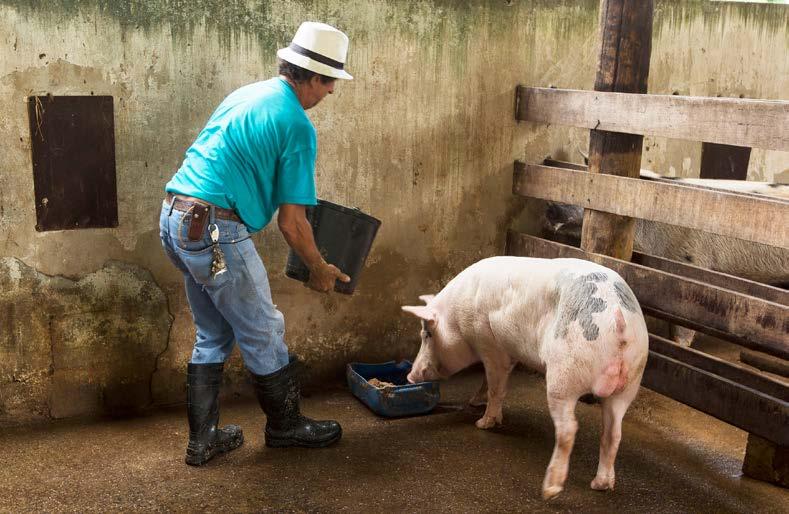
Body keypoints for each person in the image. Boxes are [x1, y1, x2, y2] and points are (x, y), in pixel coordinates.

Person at [158, 21, 353, 466]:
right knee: (264, 328)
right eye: (329, 83)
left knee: (215, 331)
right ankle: (286, 427)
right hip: (213, 230)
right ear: (313, 77)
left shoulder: (248, 93)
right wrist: (320, 269)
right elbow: (292, 223)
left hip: (176, 217)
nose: (331, 93)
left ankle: (203, 440)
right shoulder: (296, 125)